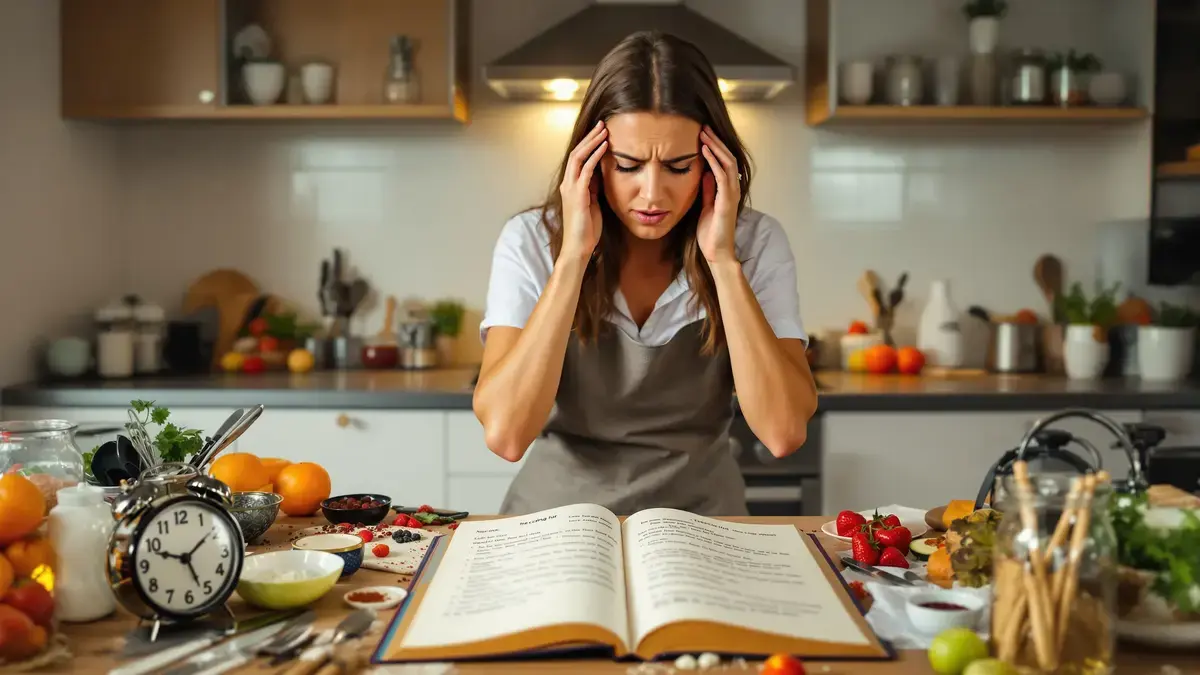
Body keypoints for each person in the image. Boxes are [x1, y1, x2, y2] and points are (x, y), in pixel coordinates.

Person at [472, 30, 818, 517]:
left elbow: (783, 432)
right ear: (591, 163)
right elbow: (507, 435)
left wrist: (723, 262)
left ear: (713, 164)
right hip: (556, 522)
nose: (652, 194)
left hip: (703, 523)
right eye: (629, 165)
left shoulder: (755, 244)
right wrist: (573, 256)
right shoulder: (531, 240)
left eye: (679, 167)